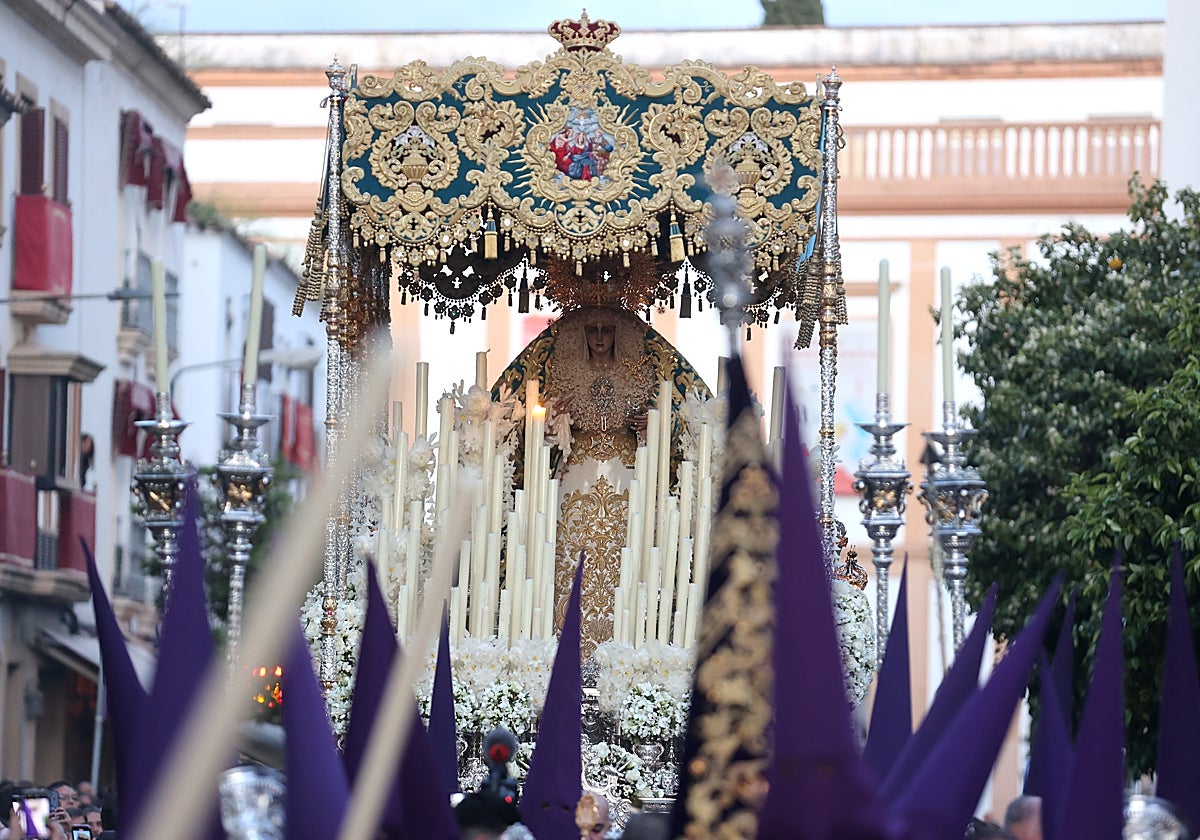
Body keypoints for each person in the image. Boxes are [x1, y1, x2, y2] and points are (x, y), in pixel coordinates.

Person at [544, 306, 658, 654]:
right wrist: (554, 420)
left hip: (624, 474)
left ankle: (623, 645)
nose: (598, 338)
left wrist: (649, 426)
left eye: (605, 330)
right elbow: (545, 431)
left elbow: (663, 422)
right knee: (574, 551)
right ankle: (568, 641)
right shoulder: (565, 374)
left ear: (618, 333)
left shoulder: (637, 374)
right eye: (591, 330)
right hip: (577, 473)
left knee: (624, 549)